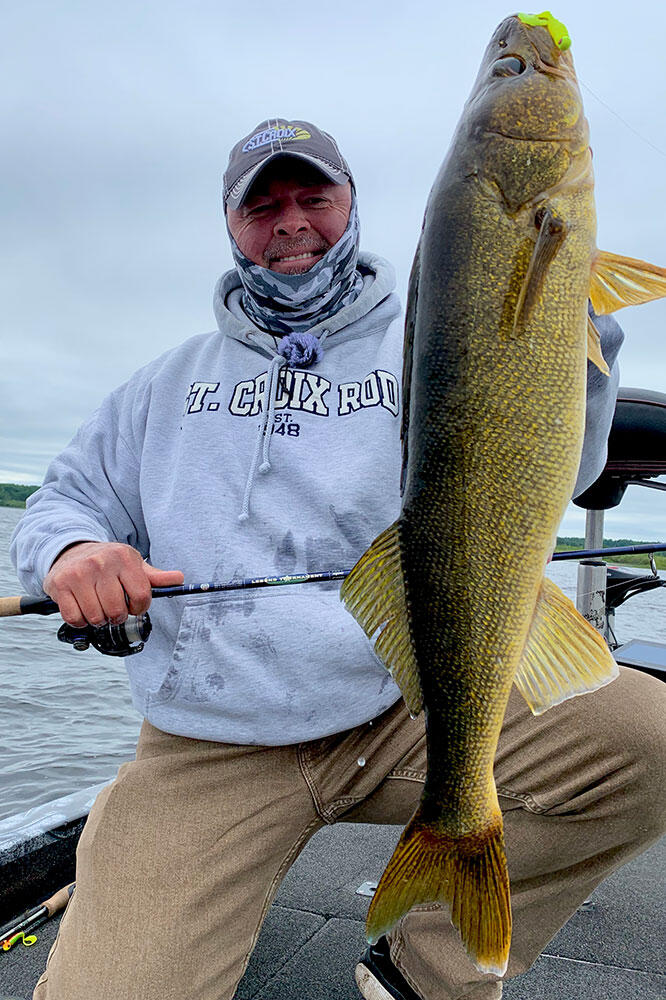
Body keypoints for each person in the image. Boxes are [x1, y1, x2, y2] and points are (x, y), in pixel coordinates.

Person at [11, 118, 666, 1000]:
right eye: (262, 205)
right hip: (212, 742)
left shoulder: (437, 328)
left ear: (351, 202)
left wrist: (576, 329)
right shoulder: (163, 385)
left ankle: (426, 962)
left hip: (408, 706)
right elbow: (63, 499)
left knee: (649, 743)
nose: (291, 222)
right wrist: (75, 551)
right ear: (231, 225)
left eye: (313, 196)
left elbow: (566, 465)